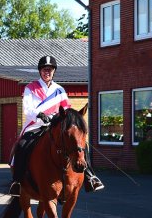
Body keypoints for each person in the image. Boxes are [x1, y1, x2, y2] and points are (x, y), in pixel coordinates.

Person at [8, 55, 104, 196]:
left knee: (81, 144)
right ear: (40, 71)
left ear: (54, 71)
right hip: (36, 125)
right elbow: (27, 109)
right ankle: (17, 181)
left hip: (56, 125)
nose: (47, 72)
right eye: (45, 69)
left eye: (50, 70)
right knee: (22, 145)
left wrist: (59, 118)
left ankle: (90, 176)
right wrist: (39, 114)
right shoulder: (30, 88)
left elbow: (67, 109)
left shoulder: (60, 90)